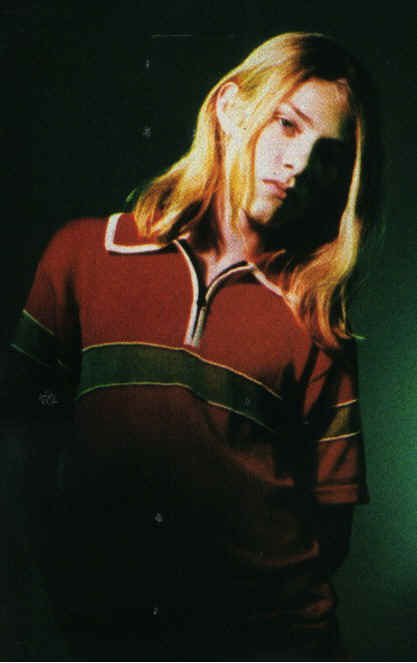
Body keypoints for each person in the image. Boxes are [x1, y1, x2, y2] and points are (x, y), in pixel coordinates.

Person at [4, 31, 381, 660]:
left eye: (328, 154)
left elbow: (329, 532)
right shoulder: (85, 255)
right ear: (230, 108)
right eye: (287, 124)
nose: (298, 163)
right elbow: (20, 439)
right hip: (101, 634)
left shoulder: (316, 325)